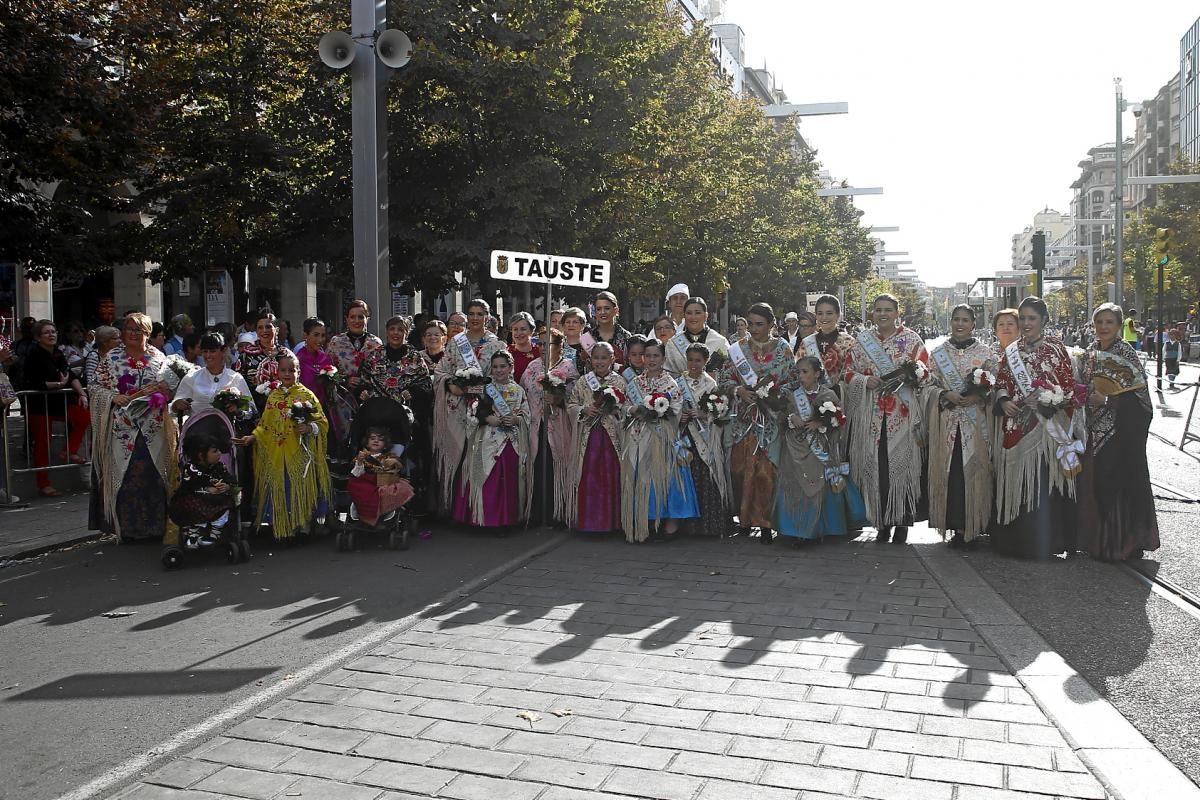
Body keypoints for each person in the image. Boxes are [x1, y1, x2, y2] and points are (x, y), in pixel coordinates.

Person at [992, 296, 1082, 559]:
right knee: (1018, 485)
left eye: (1032, 318)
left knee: (1042, 484)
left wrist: (1049, 400)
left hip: (1046, 429)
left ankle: (1045, 542)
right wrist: (1004, 399)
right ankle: (1015, 542)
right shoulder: (1011, 352)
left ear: (1044, 320)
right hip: (1017, 428)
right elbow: (1001, 381)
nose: (1027, 323)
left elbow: (1067, 388)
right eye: (1023, 319)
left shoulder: (1055, 348)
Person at [843, 294, 930, 544]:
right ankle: (881, 522)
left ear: (896, 312)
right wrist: (863, 380)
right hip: (871, 413)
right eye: (878, 309)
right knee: (877, 468)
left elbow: (926, 373)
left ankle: (901, 521)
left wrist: (910, 378)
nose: (883, 314)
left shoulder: (912, 339)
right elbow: (848, 372)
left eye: (888, 309)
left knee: (900, 469)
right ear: (872, 313)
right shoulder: (863, 341)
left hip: (901, 413)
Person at [1076, 303, 1159, 561]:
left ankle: (1122, 543)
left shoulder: (1126, 353)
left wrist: (1109, 401)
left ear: (1118, 325)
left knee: (1118, 484)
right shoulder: (1090, 352)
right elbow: (1083, 384)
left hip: (1121, 431)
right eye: (1099, 322)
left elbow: (1141, 398)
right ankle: (1097, 540)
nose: (1103, 327)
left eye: (1109, 322)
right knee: (1097, 483)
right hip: (1093, 429)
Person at [89, 313, 179, 539]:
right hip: (122, 429)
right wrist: (111, 397)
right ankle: (128, 530)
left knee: (153, 476)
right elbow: (94, 387)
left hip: (153, 427)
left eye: (138, 330)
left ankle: (155, 528)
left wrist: (163, 393)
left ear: (147, 334)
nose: (132, 334)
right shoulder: (112, 358)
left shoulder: (159, 357)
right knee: (127, 477)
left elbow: (170, 387)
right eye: (129, 329)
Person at [717, 302, 794, 542]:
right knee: (740, 469)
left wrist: (774, 396)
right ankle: (744, 518)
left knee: (765, 471)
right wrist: (739, 390)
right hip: (743, 419)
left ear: (772, 325)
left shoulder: (783, 349)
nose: (753, 329)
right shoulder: (737, 348)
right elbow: (724, 379)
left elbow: (793, 380)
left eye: (759, 324)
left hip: (770, 419)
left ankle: (766, 524)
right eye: (750, 324)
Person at [237, 352, 330, 541]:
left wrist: (309, 427)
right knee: (279, 488)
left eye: (292, 370)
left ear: (299, 371)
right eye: (283, 370)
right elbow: (265, 425)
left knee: (299, 487)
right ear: (277, 372)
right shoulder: (273, 396)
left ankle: (302, 526)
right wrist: (253, 437)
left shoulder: (306, 395)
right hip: (276, 453)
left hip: (299, 452)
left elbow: (322, 422)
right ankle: (280, 527)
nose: (287, 374)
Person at [926, 305, 996, 549]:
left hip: (976, 424)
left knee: (974, 471)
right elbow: (927, 386)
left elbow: (996, 387)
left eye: (965, 320)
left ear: (973, 324)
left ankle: (974, 525)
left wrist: (979, 397)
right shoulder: (937, 354)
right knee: (952, 473)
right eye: (956, 319)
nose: (960, 324)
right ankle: (955, 526)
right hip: (947, 423)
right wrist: (945, 393)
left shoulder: (987, 354)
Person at [777, 355, 865, 545]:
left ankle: (818, 528)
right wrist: (792, 418)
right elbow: (781, 418)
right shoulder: (791, 394)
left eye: (805, 372)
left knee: (818, 486)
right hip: (795, 449)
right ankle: (795, 529)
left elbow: (839, 421)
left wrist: (820, 423)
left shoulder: (828, 396)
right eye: (798, 372)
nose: (800, 376)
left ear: (817, 374)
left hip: (819, 449)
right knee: (797, 486)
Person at [433, 299, 507, 512]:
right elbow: (441, 370)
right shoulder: (456, 342)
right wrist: (451, 385)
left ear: (487, 316)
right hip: (456, 406)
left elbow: (502, 376)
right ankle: (454, 509)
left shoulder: (496, 345)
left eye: (480, 314)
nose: (475, 318)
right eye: (471, 313)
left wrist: (482, 390)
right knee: (457, 454)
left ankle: (477, 511)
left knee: (479, 457)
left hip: (484, 408)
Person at [621, 339, 699, 542]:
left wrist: (658, 413)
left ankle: (669, 522)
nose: (651, 359)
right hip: (637, 437)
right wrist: (633, 410)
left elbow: (676, 411)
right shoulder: (635, 383)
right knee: (639, 478)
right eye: (648, 356)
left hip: (662, 438)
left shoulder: (670, 384)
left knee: (666, 478)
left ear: (664, 359)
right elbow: (624, 407)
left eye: (656, 356)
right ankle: (644, 520)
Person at [452, 350, 532, 531]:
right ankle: (481, 519)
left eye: (503, 366)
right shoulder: (484, 388)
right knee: (484, 477)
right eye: (495, 367)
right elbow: (472, 409)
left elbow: (526, 414)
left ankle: (504, 521)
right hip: (486, 439)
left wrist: (517, 419)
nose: (499, 370)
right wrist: (487, 418)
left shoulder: (518, 390)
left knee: (507, 481)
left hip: (510, 441)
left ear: (511, 368)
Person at [22, 320, 91, 496]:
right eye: (47, 332)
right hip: (39, 405)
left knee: (85, 416)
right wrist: (56, 384)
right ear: (38, 337)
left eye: (53, 331)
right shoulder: (33, 354)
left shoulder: (58, 353)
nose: (52, 335)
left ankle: (69, 450)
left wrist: (81, 394)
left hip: (60, 402)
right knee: (43, 445)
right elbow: (32, 381)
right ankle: (44, 483)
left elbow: (71, 374)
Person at [565, 342, 628, 534]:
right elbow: (571, 404)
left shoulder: (620, 382)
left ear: (612, 359)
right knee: (589, 477)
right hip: (589, 437)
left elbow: (627, 408)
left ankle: (613, 522)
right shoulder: (583, 381)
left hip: (611, 438)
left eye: (604, 358)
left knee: (612, 476)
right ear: (590, 360)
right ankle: (589, 522)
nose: (599, 362)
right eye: (596, 358)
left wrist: (614, 409)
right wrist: (584, 409)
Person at [678, 343, 730, 537]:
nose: (693, 364)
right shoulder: (678, 381)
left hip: (705, 437)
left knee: (707, 476)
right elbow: (674, 406)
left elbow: (719, 413)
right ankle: (686, 525)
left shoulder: (711, 384)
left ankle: (709, 525)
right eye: (690, 359)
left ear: (706, 361)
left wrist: (703, 413)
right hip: (686, 437)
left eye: (698, 360)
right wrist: (680, 416)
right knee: (687, 477)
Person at [168, 432, 238, 550]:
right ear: (201, 455)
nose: (219, 454)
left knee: (232, 499)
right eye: (215, 451)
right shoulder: (191, 469)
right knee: (190, 504)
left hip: (215, 501)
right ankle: (194, 532)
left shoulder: (220, 467)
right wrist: (206, 489)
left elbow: (230, 479)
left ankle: (215, 531)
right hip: (194, 501)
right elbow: (190, 486)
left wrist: (227, 486)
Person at [171, 334, 252, 417]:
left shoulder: (235, 378)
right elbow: (172, 409)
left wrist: (237, 410)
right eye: (205, 351)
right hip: (196, 427)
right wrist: (176, 405)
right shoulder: (191, 377)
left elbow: (250, 410)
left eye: (213, 351)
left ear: (223, 351)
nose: (208, 355)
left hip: (226, 428)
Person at [348, 426, 413, 527]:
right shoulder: (362, 456)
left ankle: (385, 511)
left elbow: (398, 467)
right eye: (373, 438)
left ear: (385, 444)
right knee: (354, 485)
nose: (376, 441)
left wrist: (393, 462)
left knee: (391, 490)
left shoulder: (388, 456)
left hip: (383, 483)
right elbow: (356, 474)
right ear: (367, 442)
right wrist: (360, 462)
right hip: (367, 483)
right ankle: (361, 512)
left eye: (380, 439)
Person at [239, 309, 294, 412]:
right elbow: (239, 386)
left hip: (284, 413)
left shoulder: (287, 355)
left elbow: (295, 384)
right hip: (254, 415)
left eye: (268, 327)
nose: (264, 330)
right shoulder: (246, 356)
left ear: (277, 330)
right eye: (260, 327)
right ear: (256, 331)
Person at [325, 300, 383, 393]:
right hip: (342, 398)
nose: (356, 321)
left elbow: (381, 373)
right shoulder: (336, 342)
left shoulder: (376, 343)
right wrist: (345, 380)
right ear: (346, 319)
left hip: (369, 398)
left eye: (361, 317)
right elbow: (327, 371)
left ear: (367, 319)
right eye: (352, 317)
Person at [805, 295, 857, 396]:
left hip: (842, 400)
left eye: (829, 313)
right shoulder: (806, 343)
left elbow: (856, 374)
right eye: (820, 313)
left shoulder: (849, 342)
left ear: (838, 315)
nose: (824, 317)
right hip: (811, 400)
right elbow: (798, 373)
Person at [664, 297, 730, 377]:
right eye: (689, 313)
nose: (693, 317)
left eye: (698, 313)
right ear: (684, 316)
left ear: (706, 315)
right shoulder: (673, 344)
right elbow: (667, 374)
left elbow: (728, 372)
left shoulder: (720, 341)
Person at [296, 317, 333, 408]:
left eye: (323, 335)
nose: (320, 340)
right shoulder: (297, 360)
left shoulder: (326, 359)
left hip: (325, 408)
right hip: (304, 409)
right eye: (316, 335)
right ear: (305, 335)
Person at [591, 291, 632, 363]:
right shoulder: (587, 337)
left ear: (615, 310)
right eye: (599, 309)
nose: (603, 312)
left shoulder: (626, 337)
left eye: (607, 308)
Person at [507, 312, 541, 383]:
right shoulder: (506, 352)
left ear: (531, 331)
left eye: (523, 329)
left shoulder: (540, 352)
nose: (519, 333)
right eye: (515, 329)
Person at [558, 307, 592, 373]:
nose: (571, 325)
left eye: (575, 322)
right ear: (563, 325)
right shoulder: (558, 345)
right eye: (568, 322)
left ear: (582, 325)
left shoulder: (589, 343)